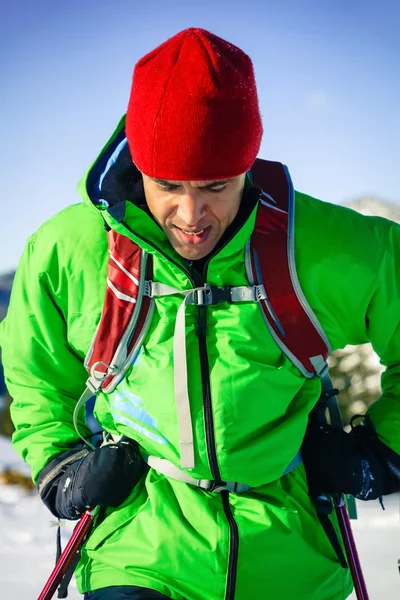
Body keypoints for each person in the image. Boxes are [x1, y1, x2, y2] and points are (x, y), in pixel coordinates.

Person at [1, 27, 400, 600]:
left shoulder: (319, 249)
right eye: (167, 185)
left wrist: (386, 454)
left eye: (216, 185)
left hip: (291, 554)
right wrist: (59, 463)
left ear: (247, 164)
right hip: (137, 549)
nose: (191, 214)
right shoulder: (69, 251)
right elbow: (36, 371)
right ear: (138, 165)